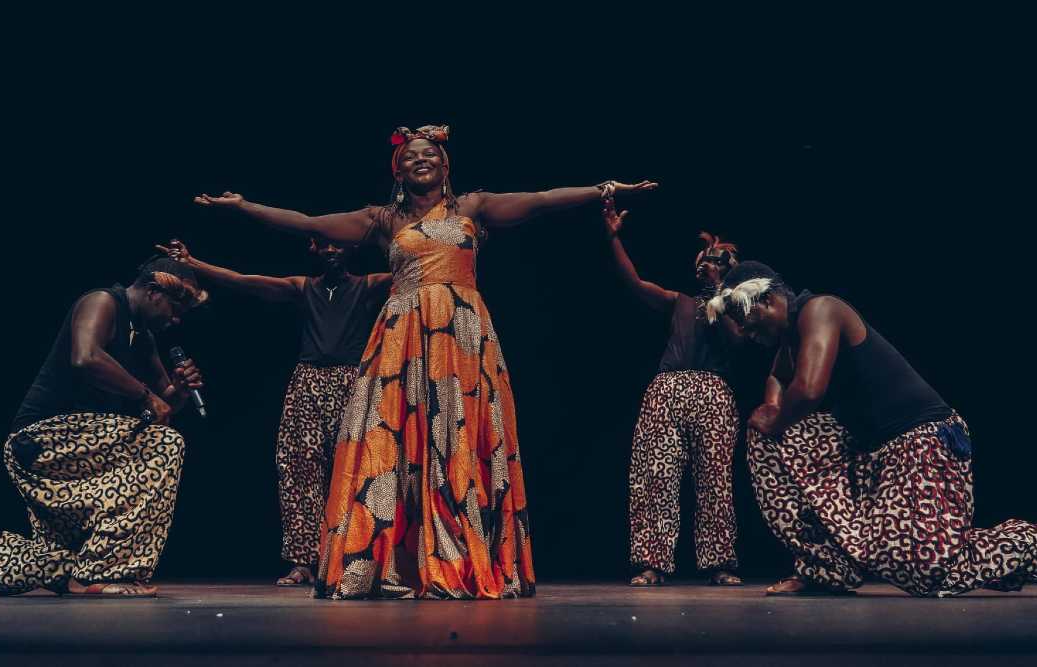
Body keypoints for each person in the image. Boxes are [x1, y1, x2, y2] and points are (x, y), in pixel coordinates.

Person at [194, 124, 657, 599]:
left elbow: (540, 201)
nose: (421, 159)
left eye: (429, 154)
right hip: (404, 335)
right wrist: (245, 207)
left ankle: (461, 555)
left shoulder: (472, 208)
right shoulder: (383, 220)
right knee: (393, 438)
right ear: (397, 171)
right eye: (410, 155)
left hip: (462, 334)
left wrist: (604, 189)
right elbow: (308, 222)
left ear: (445, 165)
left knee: (457, 435)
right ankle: (396, 561)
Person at [707, 261, 1037, 597]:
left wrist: (775, 418)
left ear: (769, 300)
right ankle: (826, 568)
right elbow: (778, 377)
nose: (743, 332)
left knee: (927, 573)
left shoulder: (820, 309)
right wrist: (772, 409)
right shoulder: (790, 341)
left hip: (923, 441)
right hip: (872, 451)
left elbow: (807, 391)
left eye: (745, 321)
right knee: (766, 433)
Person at [0, 257, 207, 597]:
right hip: (43, 439)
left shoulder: (143, 338)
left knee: (68, 559)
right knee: (165, 444)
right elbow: (86, 356)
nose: (176, 318)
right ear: (154, 291)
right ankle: (103, 573)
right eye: (175, 308)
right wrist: (146, 396)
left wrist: (177, 392)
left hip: (85, 449)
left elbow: (160, 408)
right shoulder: (103, 301)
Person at [159, 236, 390, 586]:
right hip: (308, 382)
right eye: (323, 245)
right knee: (298, 468)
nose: (331, 250)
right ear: (312, 248)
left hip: (354, 381)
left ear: (352, 248)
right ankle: (303, 561)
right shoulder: (303, 287)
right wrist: (193, 264)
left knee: (359, 470)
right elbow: (243, 280)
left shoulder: (368, 285)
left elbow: (417, 268)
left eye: (338, 245)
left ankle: (355, 558)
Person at [601, 200, 747, 587]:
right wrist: (613, 239)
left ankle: (719, 563)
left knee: (715, 480)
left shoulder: (736, 308)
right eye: (703, 260)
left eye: (714, 260)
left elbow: (738, 342)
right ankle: (651, 562)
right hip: (667, 389)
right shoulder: (678, 301)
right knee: (655, 476)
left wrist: (720, 292)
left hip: (713, 391)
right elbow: (635, 284)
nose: (705, 264)